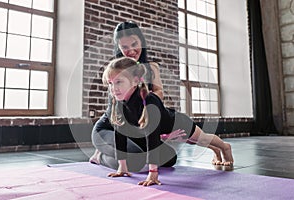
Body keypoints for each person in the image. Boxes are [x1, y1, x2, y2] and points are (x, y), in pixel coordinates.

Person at [103, 57, 234, 186]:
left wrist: (153, 172)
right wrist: (122, 167)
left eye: (119, 82)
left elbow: (152, 138)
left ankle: (224, 147)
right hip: (164, 132)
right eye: (110, 83)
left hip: (178, 124)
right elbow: (119, 134)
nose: (113, 88)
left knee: (202, 139)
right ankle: (216, 151)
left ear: (135, 81)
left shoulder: (150, 100)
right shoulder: (118, 103)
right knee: (194, 142)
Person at [90, 21, 178, 172]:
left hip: (137, 128)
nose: (130, 50)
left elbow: (158, 95)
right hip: (111, 129)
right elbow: (117, 112)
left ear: (141, 42)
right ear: (118, 47)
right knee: (135, 161)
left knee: (170, 157)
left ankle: (109, 152)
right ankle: (100, 156)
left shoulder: (151, 67)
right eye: (124, 47)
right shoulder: (115, 69)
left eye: (134, 44)